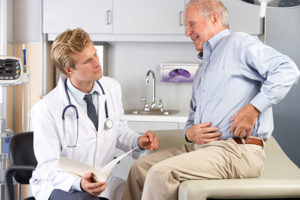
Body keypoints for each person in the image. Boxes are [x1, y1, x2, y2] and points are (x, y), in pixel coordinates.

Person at [122, 0, 300, 200]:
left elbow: (288, 70)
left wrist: (253, 109)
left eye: (191, 24)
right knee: (140, 168)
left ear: (213, 18)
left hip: (236, 150)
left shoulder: (239, 43)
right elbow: (191, 120)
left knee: (160, 173)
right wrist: (190, 132)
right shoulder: (203, 69)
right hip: (201, 150)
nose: (187, 32)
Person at [29, 28, 160, 200]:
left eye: (95, 54)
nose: (97, 63)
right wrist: (80, 183)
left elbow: (118, 131)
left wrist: (138, 141)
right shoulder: (45, 109)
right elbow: (48, 166)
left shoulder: (112, 88)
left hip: (102, 181)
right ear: (69, 70)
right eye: (87, 61)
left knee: (146, 194)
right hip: (61, 185)